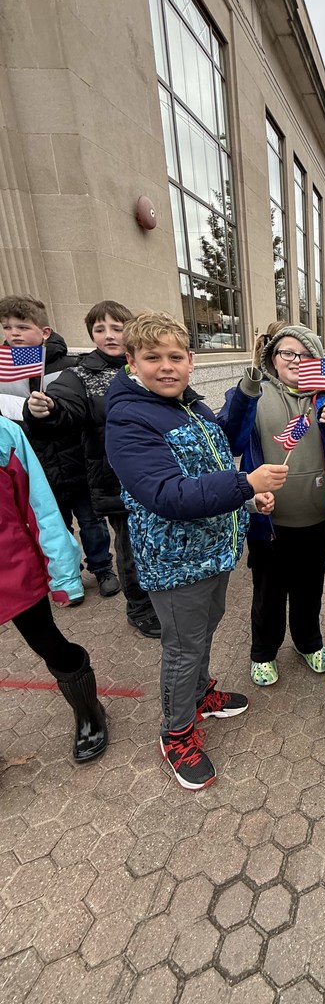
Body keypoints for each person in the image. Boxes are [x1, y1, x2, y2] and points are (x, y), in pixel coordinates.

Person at [105, 311, 288, 790]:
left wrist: (246, 498)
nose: (166, 367)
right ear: (131, 362)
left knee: (204, 630)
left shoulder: (190, 405)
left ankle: (200, 695)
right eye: (153, 357)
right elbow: (167, 493)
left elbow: (218, 452)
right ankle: (176, 732)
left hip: (214, 550)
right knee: (183, 649)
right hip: (176, 563)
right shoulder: (128, 419)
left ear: (190, 360)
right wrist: (246, 483)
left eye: (175, 357)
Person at [23, 300, 161, 638]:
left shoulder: (145, 364)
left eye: (117, 328)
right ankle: (139, 608)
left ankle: (161, 598)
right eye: (100, 329)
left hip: (157, 473)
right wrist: (48, 409)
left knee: (157, 541)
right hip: (116, 479)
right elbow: (65, 405)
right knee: (131, 547)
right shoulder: (80, 374)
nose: (109, 335)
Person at [219, 323, 325, 687]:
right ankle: (263, 652)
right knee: (269, 593)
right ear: (273, 357)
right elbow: (231, 439)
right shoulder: (253, 393)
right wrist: (246, 391)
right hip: (269, 522)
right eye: (287, 352)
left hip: (317, 520)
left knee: (310, 588)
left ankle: (308, 641)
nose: (296, 360)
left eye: (306, 355)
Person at [0, 415, 108, 762]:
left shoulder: (4, 433)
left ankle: (89, 711)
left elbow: (40, 507)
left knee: (49, 644)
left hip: (12, 570)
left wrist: (63, 576)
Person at [0, 295, 119, 599]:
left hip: (75, 459)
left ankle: (102, 567)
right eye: (7, 327)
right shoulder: (4, 369)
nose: (14, 333)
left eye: (22, 327)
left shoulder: (70, 367)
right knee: (54, 523)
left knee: (91, 520)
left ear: (44, 332)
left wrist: (52, 410)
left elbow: (74, 409)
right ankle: (68, 570)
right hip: (35, 463)